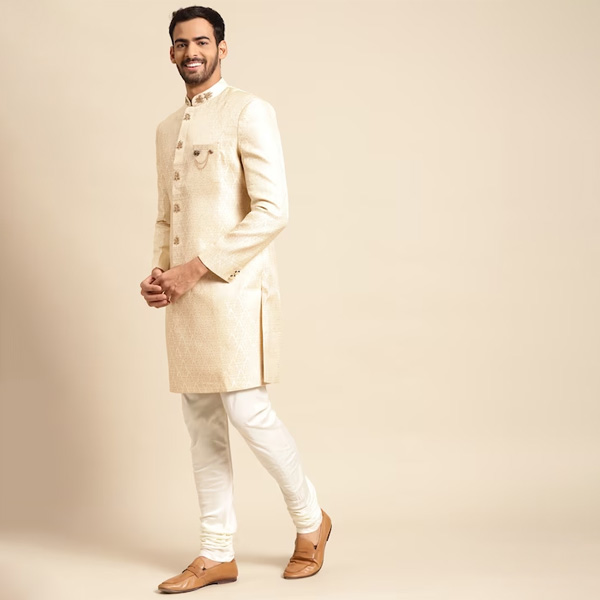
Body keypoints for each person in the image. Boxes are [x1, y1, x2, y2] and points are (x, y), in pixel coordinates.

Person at [139, 6, 331, 594]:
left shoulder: (249, 111)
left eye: (202, 42)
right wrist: (160, 273)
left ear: (222, 48)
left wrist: (194, 270)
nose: (191, 52)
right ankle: (216, 551)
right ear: (171, 53)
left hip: (234, 292)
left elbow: (273, 210)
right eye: (181, 44)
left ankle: (311, 520)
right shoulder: (166, 129)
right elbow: (167, 214)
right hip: (184, 296)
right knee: (201, 425)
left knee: (249, 412)